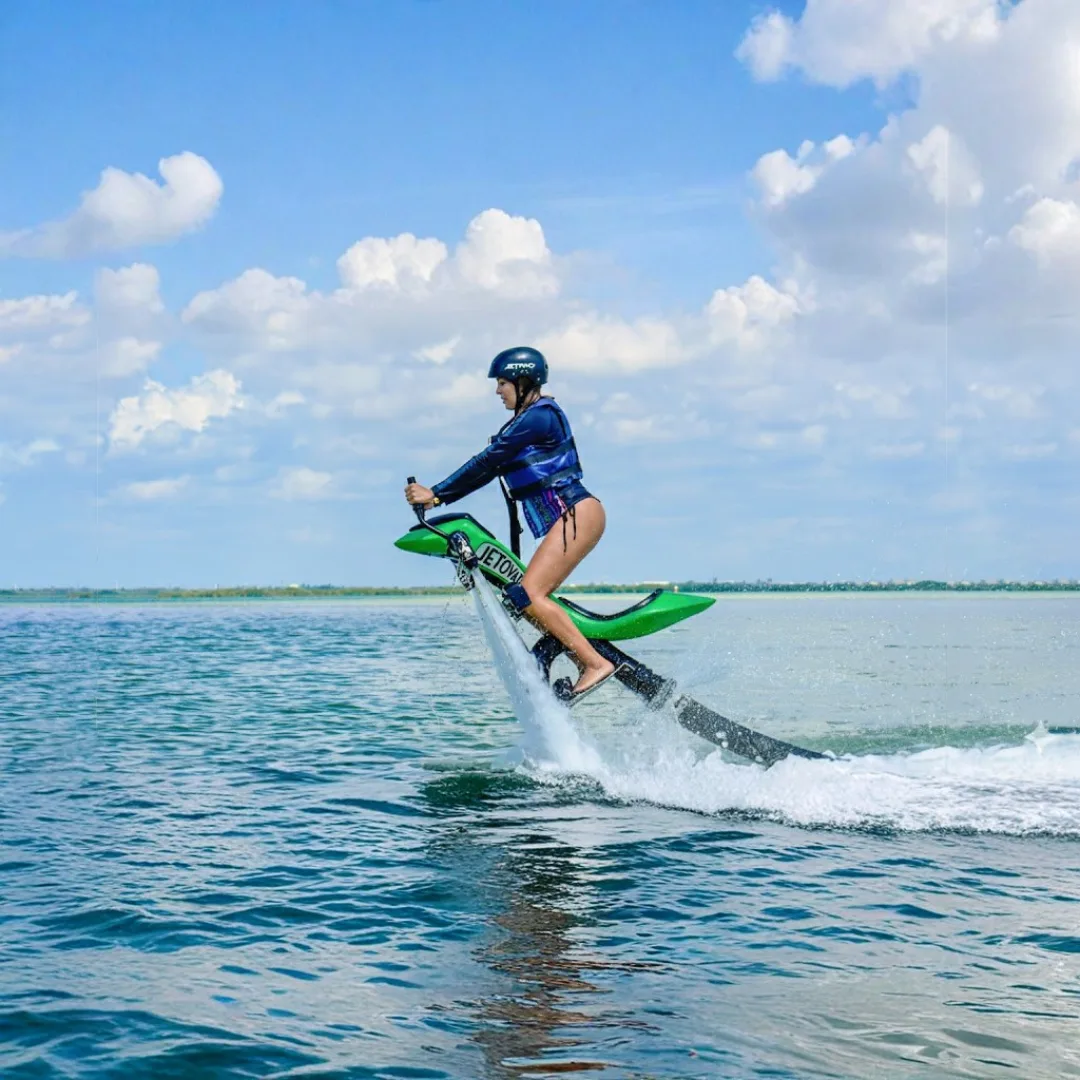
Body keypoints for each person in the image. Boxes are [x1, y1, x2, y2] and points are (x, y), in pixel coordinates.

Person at [405, 346, 617, 700]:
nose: (497, 390)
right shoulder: (527, 420)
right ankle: (577, 653)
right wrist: (438, 498)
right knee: (522, 597)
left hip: (577, 513)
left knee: (530, 594)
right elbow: (490, 470)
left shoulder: (540, 416)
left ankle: (594, 664)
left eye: (502, 383)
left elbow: (488, 461)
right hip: (571, 517)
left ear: (523, 381)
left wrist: (436, 493)